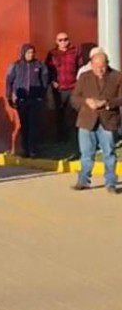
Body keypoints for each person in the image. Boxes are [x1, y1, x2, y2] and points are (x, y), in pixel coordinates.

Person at [71, 48, 122, 193]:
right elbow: (74, 98)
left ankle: (111, 183)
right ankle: (83, 181)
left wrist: (106, 103)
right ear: (91, 65)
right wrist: (86, 101)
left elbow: (121, 98)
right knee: (86, 153)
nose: (100, 69)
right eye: (97, 66)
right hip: (87, 120)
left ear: (107, 63)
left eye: (103, 66)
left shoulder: (117, 76)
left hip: (107, 120)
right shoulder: (84, 77)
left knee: (109, 153)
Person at [6, 44, 49, 158]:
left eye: (32, 53)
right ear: (23, 53)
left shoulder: (40, 65)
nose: (30, 55)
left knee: (33, 125)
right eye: (28, 53)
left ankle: (33, 150)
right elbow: (9, 81)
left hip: (35, 99)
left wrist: (42, 95)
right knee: (24, 125)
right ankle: (25, 149)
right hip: (22, 100)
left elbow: (45, 82)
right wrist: (9, 96)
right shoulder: (16, 66)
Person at [46, 32, 82, 142]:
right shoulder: (52, 54)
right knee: (59, 113)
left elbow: (80, 67)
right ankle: (61, 137)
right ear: (56, 42)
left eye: (65, 39)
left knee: (74, 112)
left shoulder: (75, 52)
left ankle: (75, 137)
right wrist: (52, 81)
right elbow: (47, 69)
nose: (63, 42)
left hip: (73, 87)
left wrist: (78, 82)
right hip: (59, 88)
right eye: (60, 40)